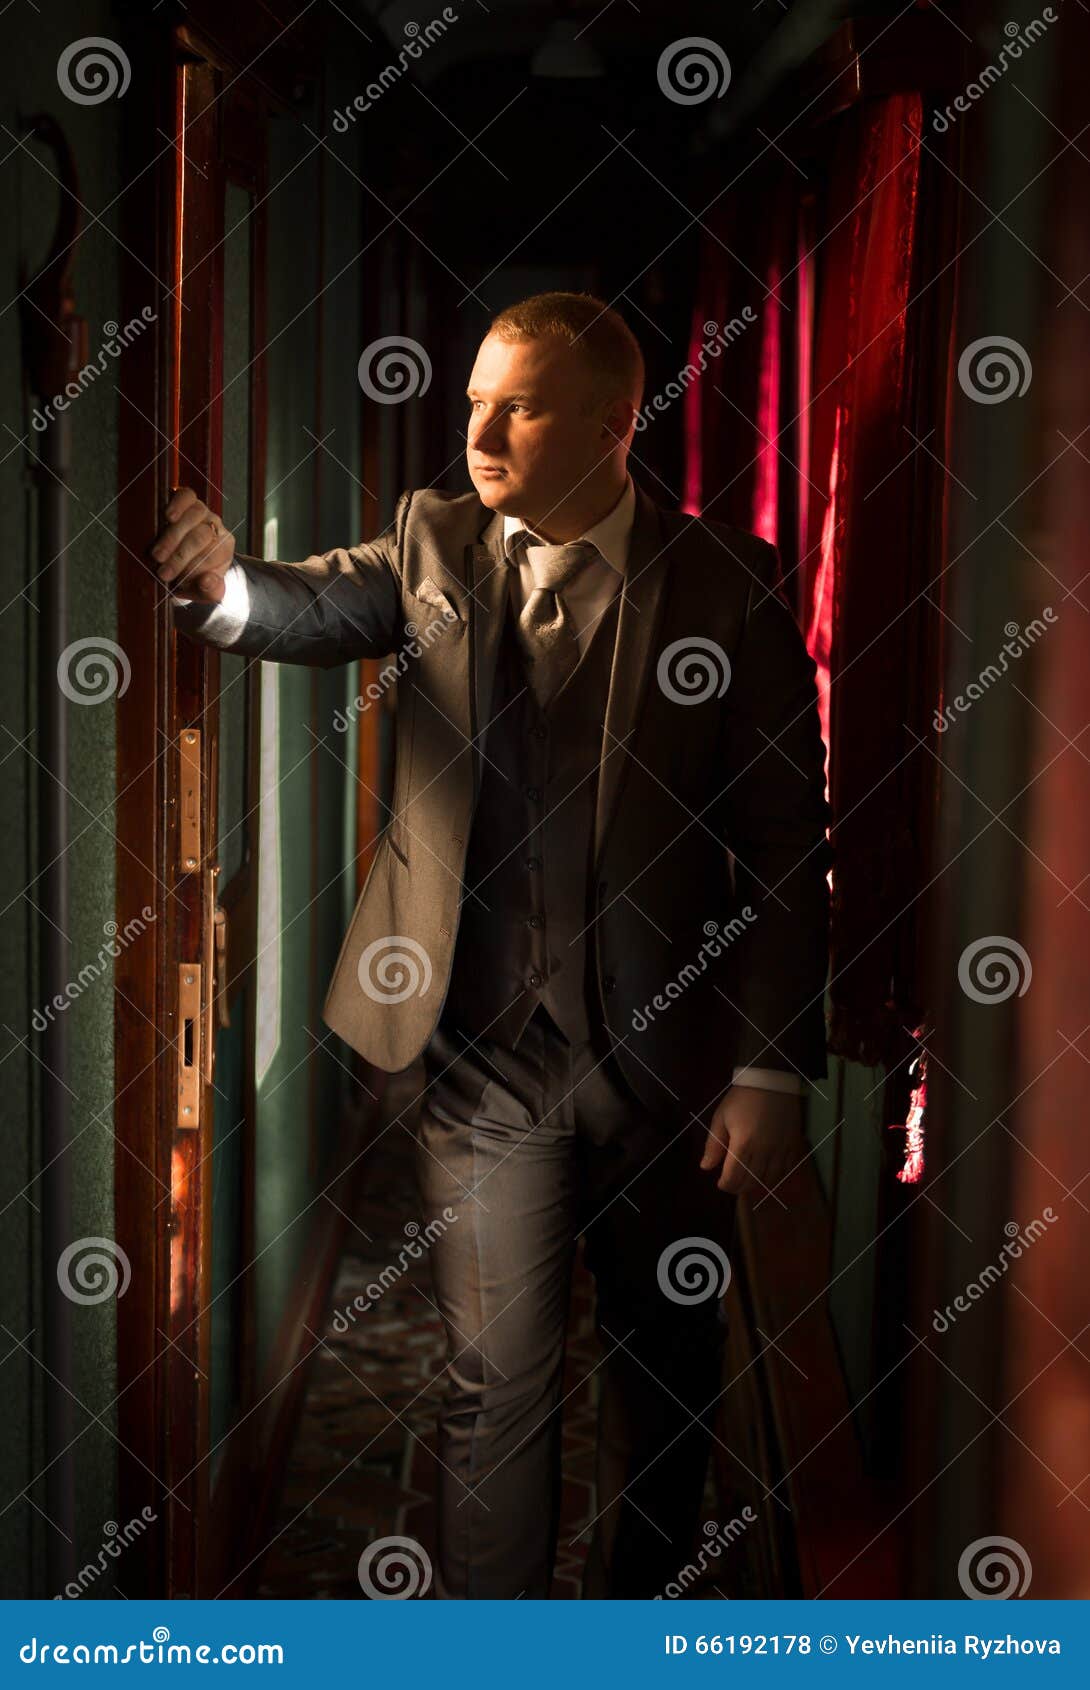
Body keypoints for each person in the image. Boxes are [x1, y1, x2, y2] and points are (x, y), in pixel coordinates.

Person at [152, 291, 831, 1599]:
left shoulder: (726, 583)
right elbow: (299, 604)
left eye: (513, 404)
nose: (478, 427)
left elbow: (785, 847)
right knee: (491, 1387)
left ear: (612, 424)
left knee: (664, 1385)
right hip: (479, 1064)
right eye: (472, 398)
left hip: (675, 1072)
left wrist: (767, 1069)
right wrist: (216, 581)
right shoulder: (429, 545)